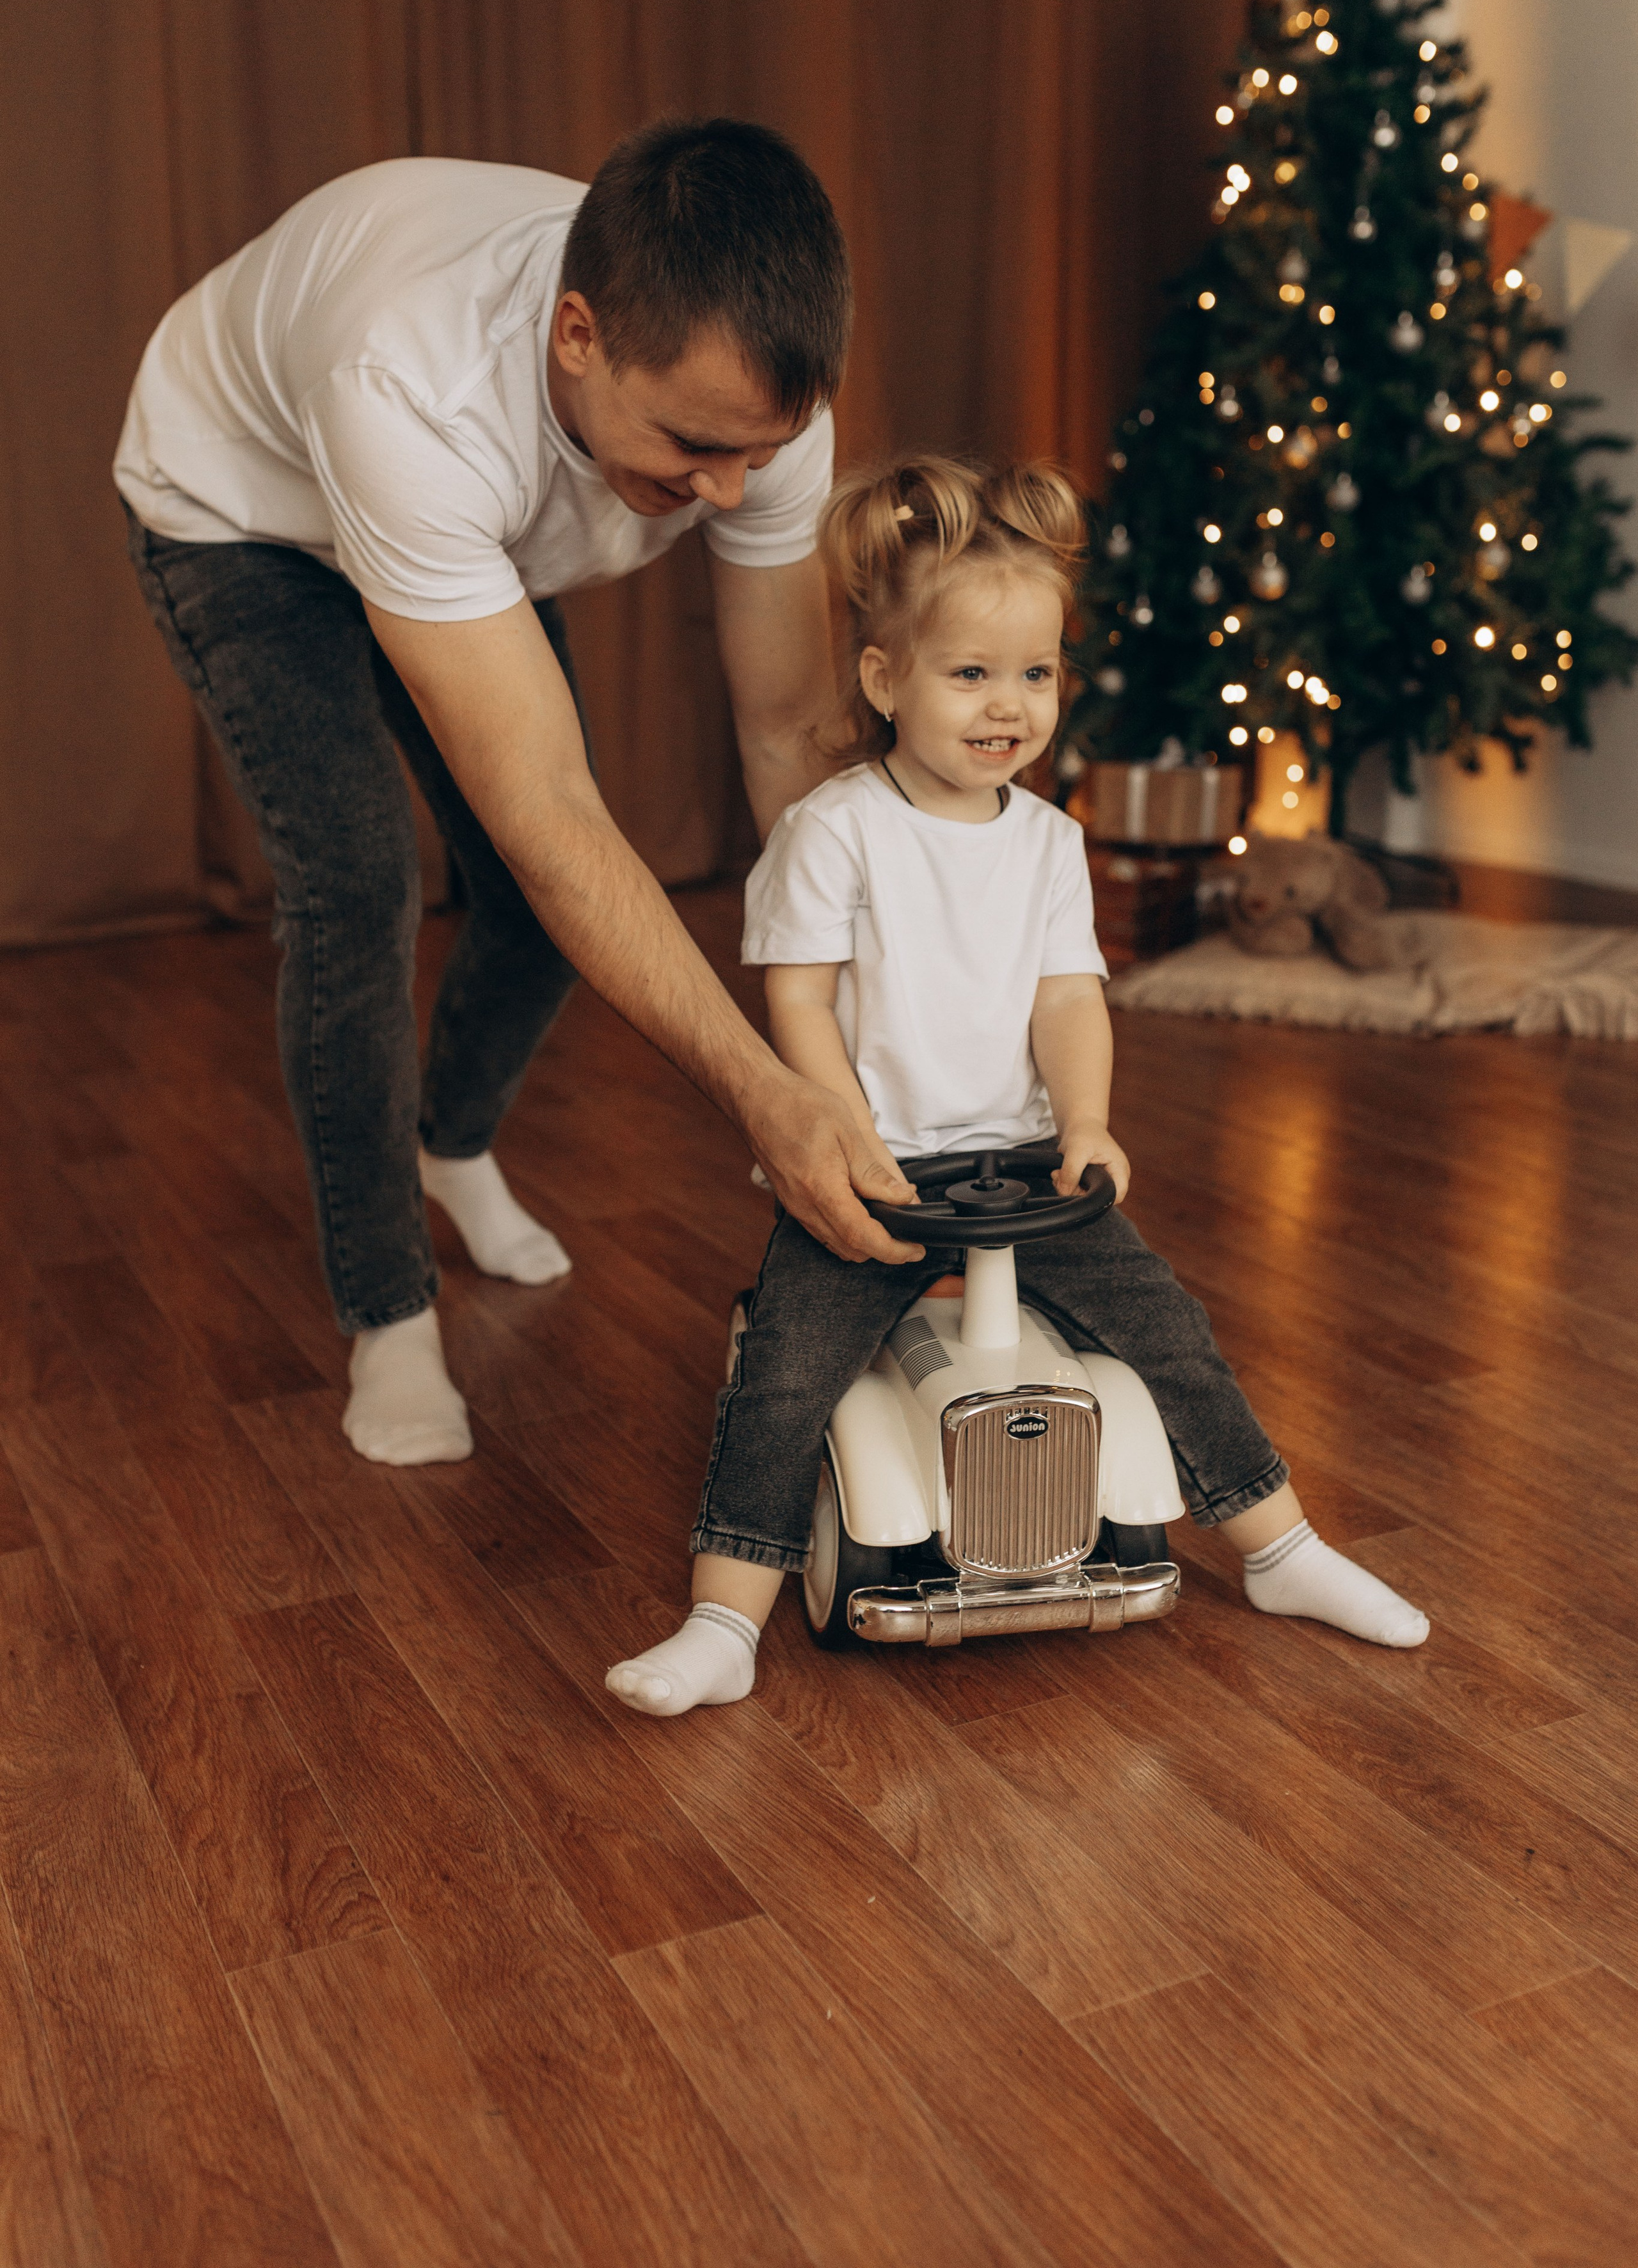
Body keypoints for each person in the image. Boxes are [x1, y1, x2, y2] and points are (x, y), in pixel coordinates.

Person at [116, 118, 925, 1470]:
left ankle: (453, 1145)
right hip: (240, 512)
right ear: (576, 336)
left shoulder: (755, 411)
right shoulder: (411, 384)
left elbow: (791, 733)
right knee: (362, 879)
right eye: (690, 448)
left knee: (529, 905)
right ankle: (388, 1313)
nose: (729, 492)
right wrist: (759, 1094)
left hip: (453, 526)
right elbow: (548, 810)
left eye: (756, 454)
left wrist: (854, 1029)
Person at [606, 454, 1429, 1717]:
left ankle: (1276, 1548)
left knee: (1164, 1331)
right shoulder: (835, 830)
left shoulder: (1048, 842)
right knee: (786, 1370)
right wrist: (838, 1133)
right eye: (969, 674)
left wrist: (1086, 1124)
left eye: (1034, 674)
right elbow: (797, 1003)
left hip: (1020, 1162)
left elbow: (1064, 999)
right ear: (884, 679)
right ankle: (725, 1618)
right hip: (873, 1160)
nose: (1008, 706)